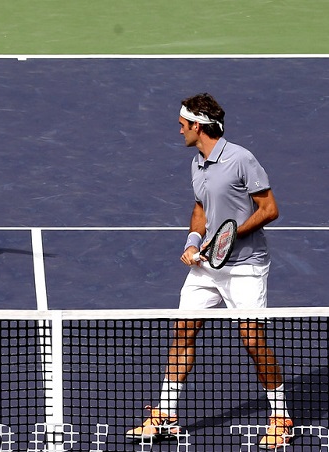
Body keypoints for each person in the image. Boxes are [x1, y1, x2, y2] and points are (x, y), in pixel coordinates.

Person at [126, 93, 292, 449]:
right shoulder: (197, 162)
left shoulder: (241, 159)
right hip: (206, 266)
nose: (179, 130)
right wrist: (193, 240)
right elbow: (200, 206)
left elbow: (270, 209)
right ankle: (166, 416)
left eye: (182, 125)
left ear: (197, 126)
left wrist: (230, 238)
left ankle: (281, 419)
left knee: (252, 341)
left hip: (246, 267)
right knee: (182, 332)